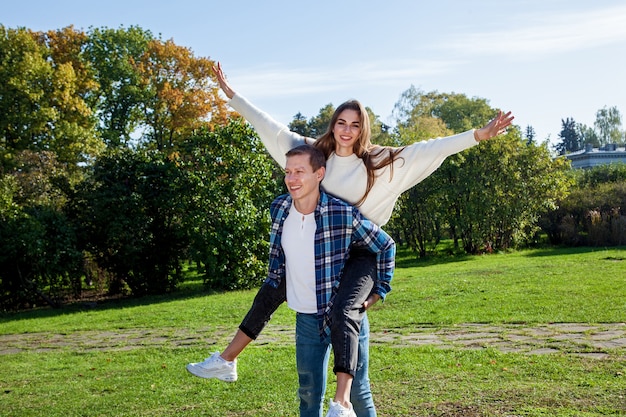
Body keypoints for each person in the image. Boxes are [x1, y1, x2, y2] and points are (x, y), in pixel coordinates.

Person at [187, 62, 514, 416]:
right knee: (273, 289)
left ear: (363, 130)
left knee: (349, 334)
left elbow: (428, 149)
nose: (347, 130)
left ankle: (341, 402)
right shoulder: (313, 153)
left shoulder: (380, 162)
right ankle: (227, 359)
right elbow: (270, 126)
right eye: (341, 122)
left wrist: (477, 136)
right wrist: (233, 97)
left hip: (361, 251)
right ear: (333, 125)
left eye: (355, 125)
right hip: (321, 251)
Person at [190, 144, 395, 417]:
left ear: (319, 174)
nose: (292, 178)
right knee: (309, 396)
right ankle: (227, 359)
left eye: (300, 171)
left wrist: (380, 289)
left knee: (359, 391)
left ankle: (342, 405)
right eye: (288, 172)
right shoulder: (280, 208)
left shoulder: (341, 214)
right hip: (307, 319)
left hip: (341, 314)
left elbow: (385, 245)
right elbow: (280, 265)